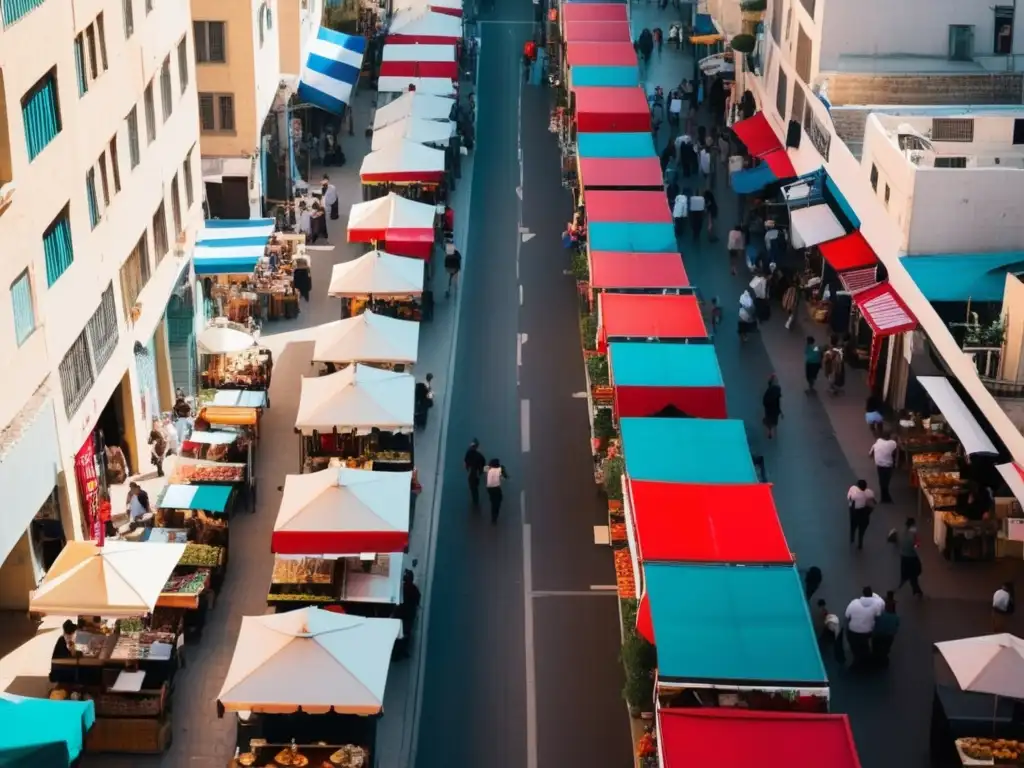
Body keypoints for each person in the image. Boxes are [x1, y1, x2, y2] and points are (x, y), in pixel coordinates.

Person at [845, 587, 885, 666]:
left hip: (853, 630)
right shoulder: (876, 605)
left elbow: (847, 616)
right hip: (867, 632)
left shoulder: (854, 602)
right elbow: (878, 617)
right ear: (871, 594)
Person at [395, 569, 421, 658]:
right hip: (408, 615)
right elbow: (418, 601)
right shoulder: (414, 589)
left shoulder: (400, 588)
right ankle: (402, 651)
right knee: (406, 634)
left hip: (400, 614)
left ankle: (396, 652)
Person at [895, 517, 924, 597]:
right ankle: (916, 590)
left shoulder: (902, 532)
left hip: (904, 556)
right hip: (912, 556)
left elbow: (898, 541)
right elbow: (916, 545)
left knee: (910, 574)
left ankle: (915, 589)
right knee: (915, 573)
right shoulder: (914, 533)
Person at [872, 591, 900, 666]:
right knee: (886, 646)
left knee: (876, 644)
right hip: (889, 635)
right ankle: (884, 656)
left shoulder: (880, 615)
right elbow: (897, 625)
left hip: (879, 634)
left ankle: (875, 656)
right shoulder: (896, 617)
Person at [870, 431, 898, 503]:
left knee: (882, 480)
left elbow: (870, 454)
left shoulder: (877, 443)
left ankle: (884, 497)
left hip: (879, 464)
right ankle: (886, 497)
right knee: (886, 481)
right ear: (889, 437)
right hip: (888, 465)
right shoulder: (892, 443)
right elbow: (895, 452)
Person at [847, 479, 875, 550]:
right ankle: (860, 542)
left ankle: (852, 537)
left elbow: (850, 498)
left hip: (855, 512)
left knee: (853, 525)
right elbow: (873, 501)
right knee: (862, 529)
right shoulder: (869, 492)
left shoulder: (854, 491)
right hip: (864, 513)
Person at [485, 458, 509, 523]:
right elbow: (506, 477)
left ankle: (493, 516)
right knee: (497, 502)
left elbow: (485, 469)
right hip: (496, 488)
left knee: (493, 502)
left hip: (489, 488)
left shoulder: (487, 468)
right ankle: (495, 517)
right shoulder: (500, 469)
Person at [464, 439, 486, 507]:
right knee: (475, 486)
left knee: (473, 486)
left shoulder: (469, 453)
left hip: (473, 472)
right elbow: (483, 463)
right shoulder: (479, 456)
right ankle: (475, 499)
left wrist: (467, 467)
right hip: (476, 472)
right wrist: (481, 471)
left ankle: (475, 500)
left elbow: (466, 461)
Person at [762, 374, 782, 439]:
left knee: (769, 419)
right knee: (774, 420)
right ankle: (774, 432)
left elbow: (765, 400)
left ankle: (770, 431)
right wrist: (780, 410)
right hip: (774, 407)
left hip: (769, 407)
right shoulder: (777, 389)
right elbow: (778, 400)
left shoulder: (768, 391)